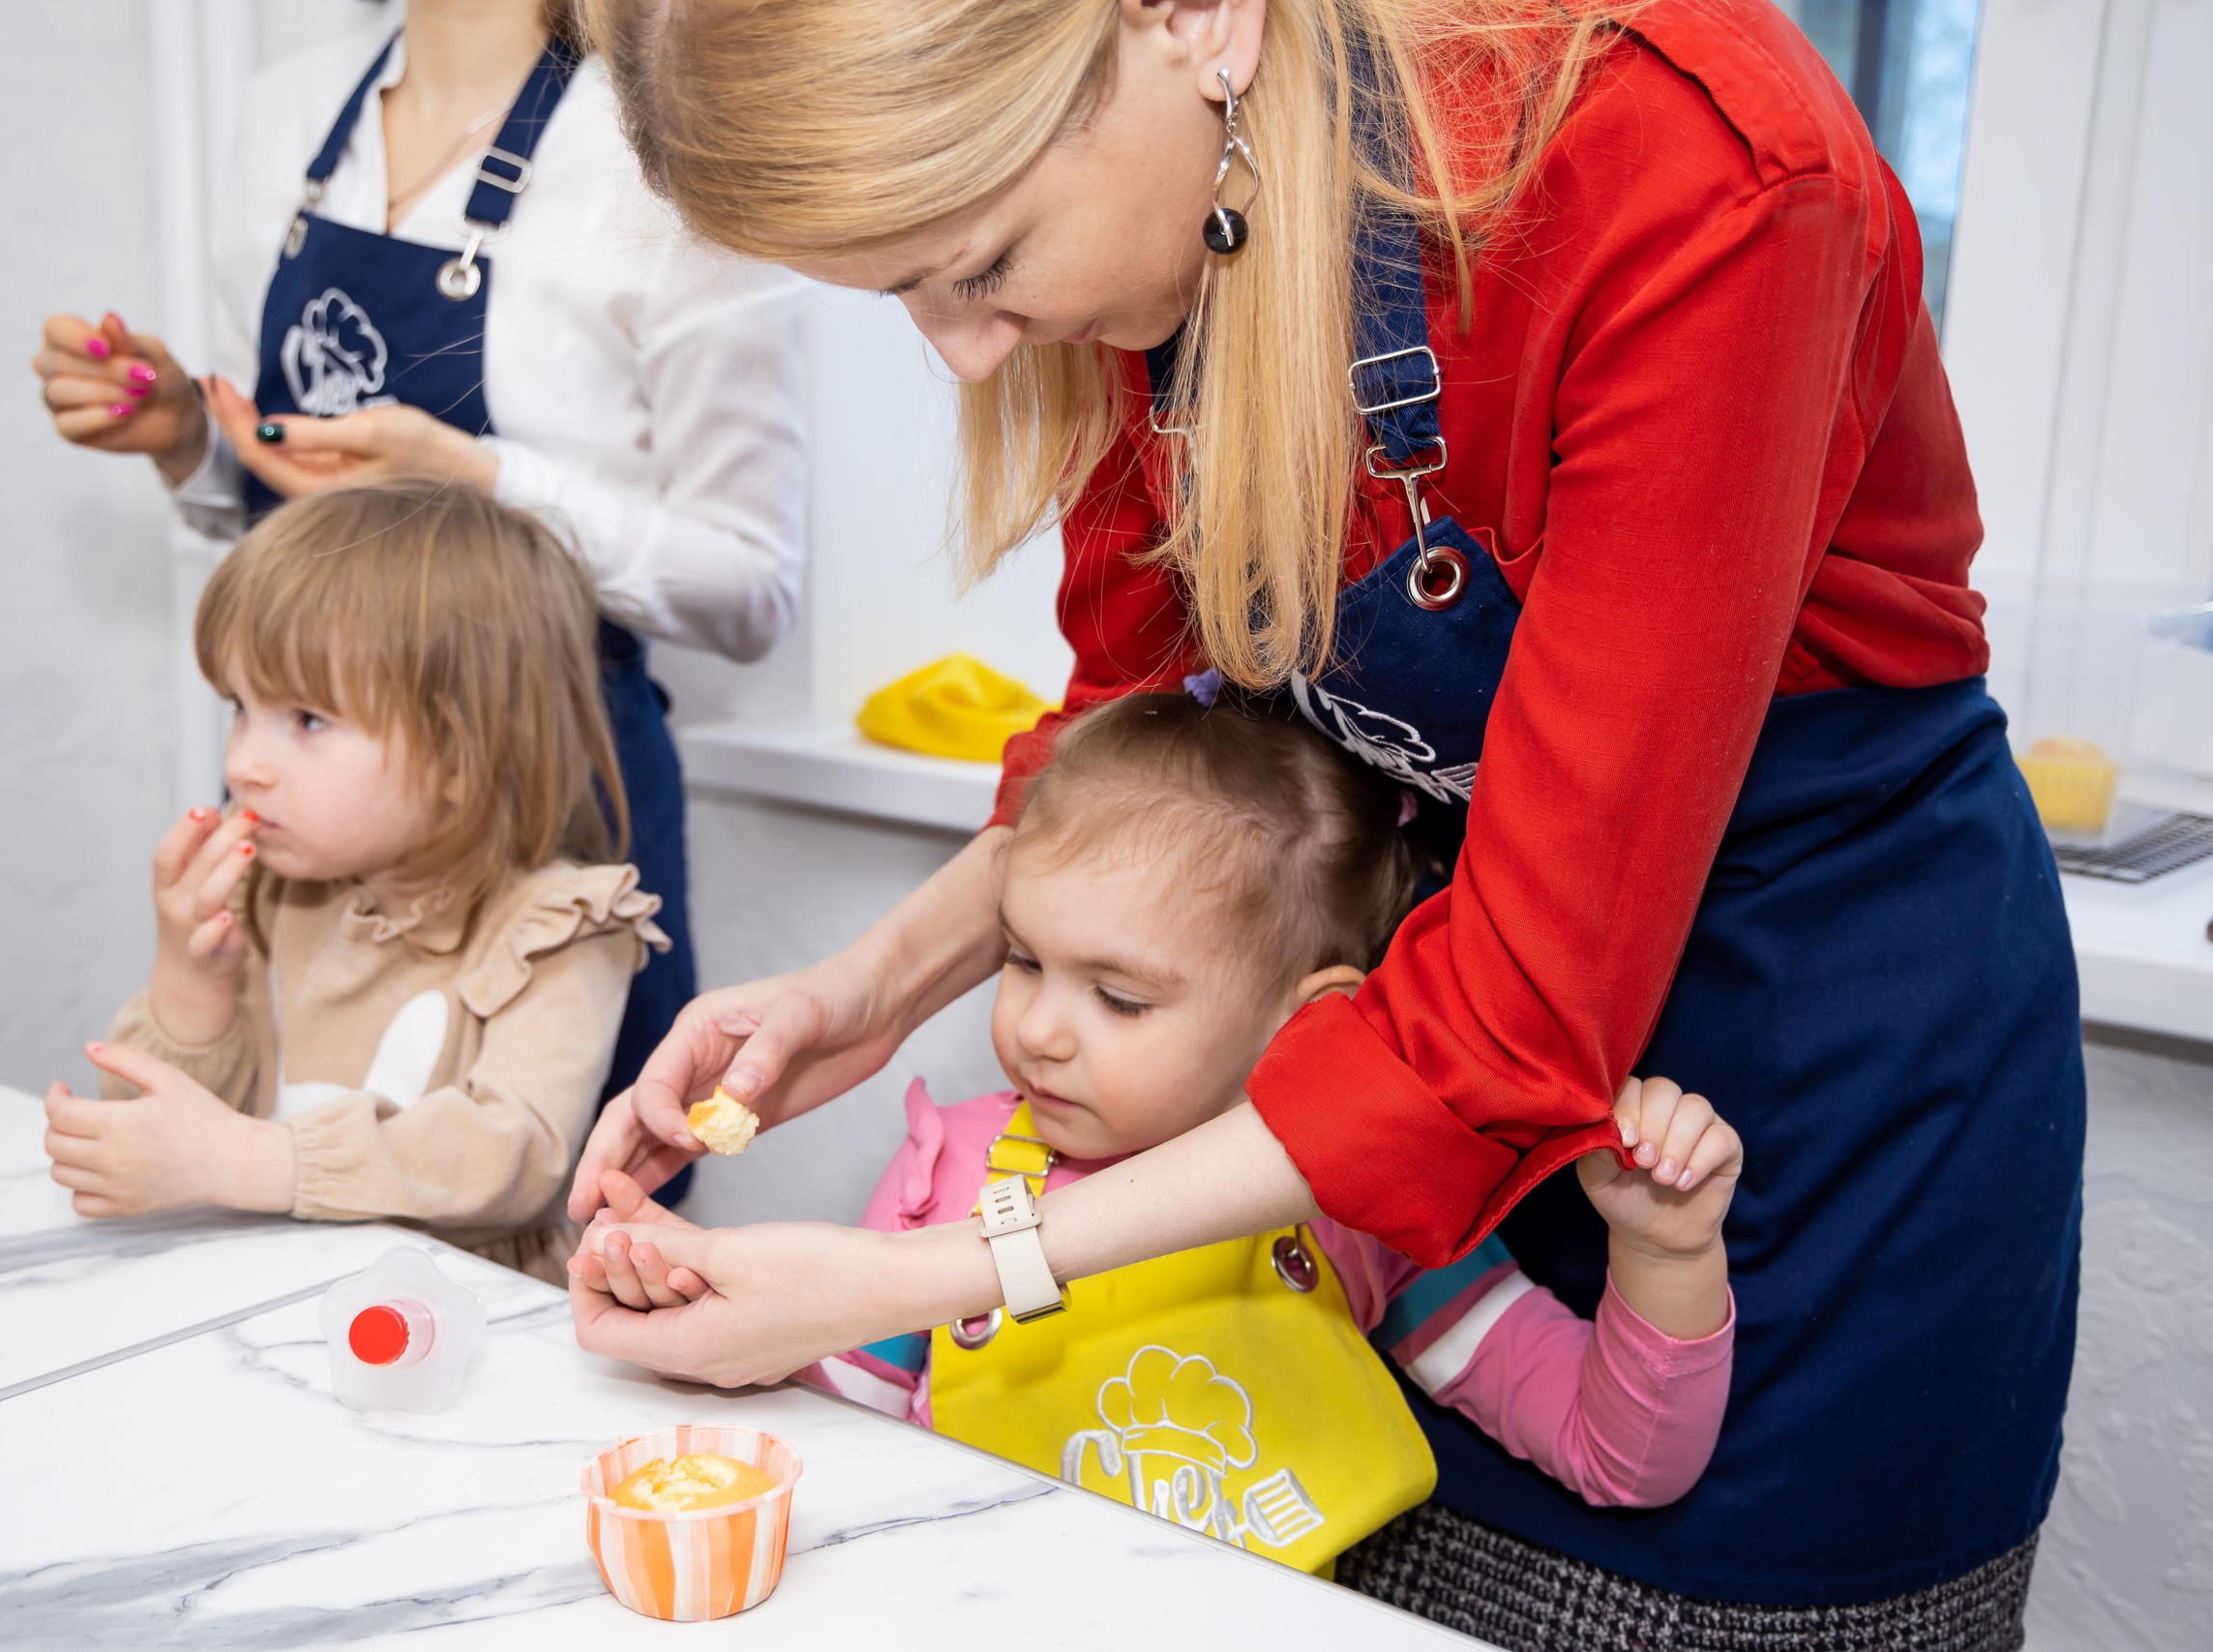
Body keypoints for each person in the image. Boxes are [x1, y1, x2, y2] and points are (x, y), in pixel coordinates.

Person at [557, 0, 2081, 1644]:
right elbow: (1141, 731)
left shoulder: (1691, 171)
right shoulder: (1201, 209)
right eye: (901, 295)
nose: (971, 349)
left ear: (1190, 21)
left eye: (984, 258)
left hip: (1796, 1096)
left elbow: (1522, 1008)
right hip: (1384, 1089)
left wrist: (924, 1282)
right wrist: (863, 991)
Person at [577, 692, 1743, 1577]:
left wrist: (1665, 1255)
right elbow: (836, 1459)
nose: (1038, 1028)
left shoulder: (1362, 1214)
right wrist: (695, 1312)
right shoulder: (941, 1181)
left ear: (1307, 1026)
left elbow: (1619, 1459)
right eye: (1024, 959)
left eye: (1120, 998)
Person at [29, 0, 807, 1120]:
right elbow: (300, 500)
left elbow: (752, 588)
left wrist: (484, 479)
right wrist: (192, 442)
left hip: (542, 777)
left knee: (562, 1204)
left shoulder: (682, 147)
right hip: (322, 761)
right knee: (268, 1121)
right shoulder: (284, 110)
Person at [42, 483, 665, 1283]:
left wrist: (254, 1159)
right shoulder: (269, 887)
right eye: (241, 706)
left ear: (459, 754)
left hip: (469, 1324)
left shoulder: (560, 927)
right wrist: (188, 980)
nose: (243, 765)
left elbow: (514, 1156)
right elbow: (160, 1136)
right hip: (267, 1293)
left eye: (307, 720)